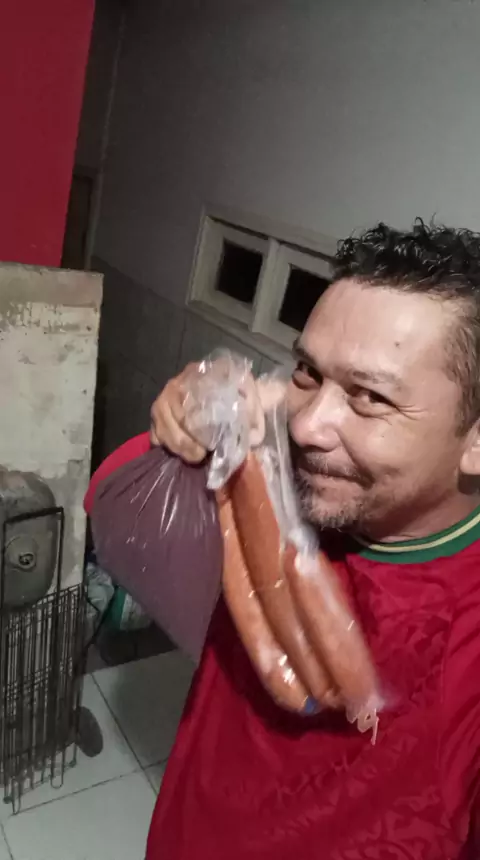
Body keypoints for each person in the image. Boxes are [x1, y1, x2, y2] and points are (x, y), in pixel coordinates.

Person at [86, 220, 480, 858]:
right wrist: (178, 438)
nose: (308, 427)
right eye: (308, 372)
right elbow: (116, 520)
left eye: (370, 397)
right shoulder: (276, 476)